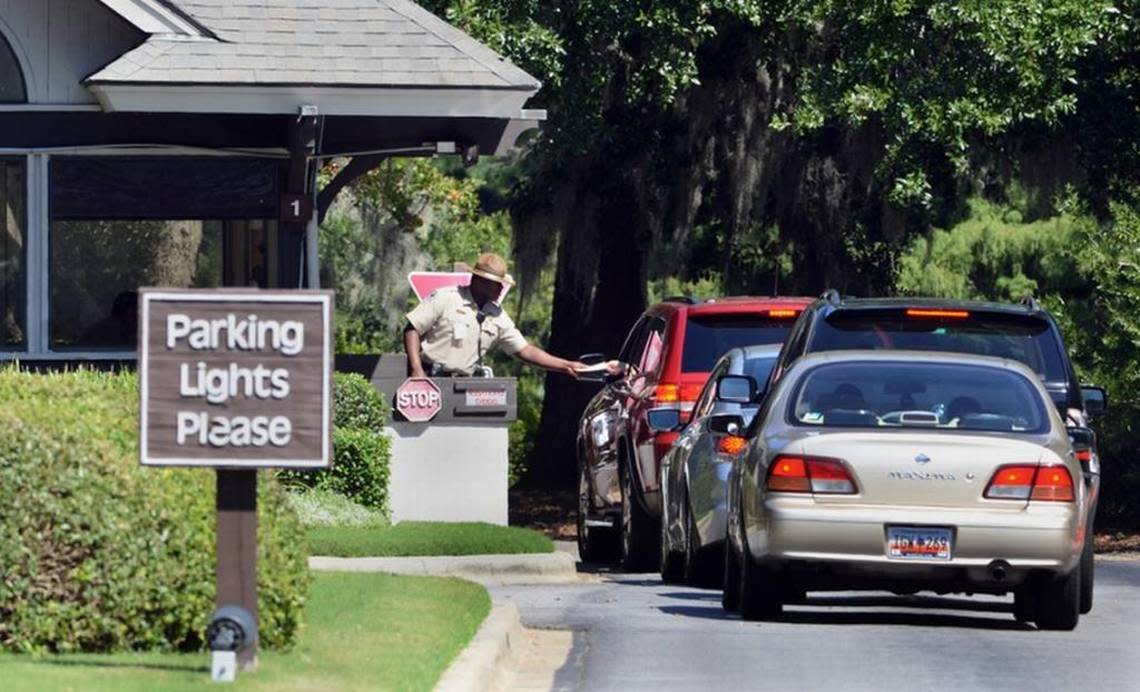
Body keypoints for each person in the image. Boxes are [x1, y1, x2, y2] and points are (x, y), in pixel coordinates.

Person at [404, 253, 592, 378]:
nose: (502, 287)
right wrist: (416, 368)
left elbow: (525, 350)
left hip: (463, 385)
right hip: (428, 378)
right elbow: (412, 329)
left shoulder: (495, 314)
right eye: (496, 283)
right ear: (480, 281)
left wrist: (567, 365)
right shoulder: (447, 298)